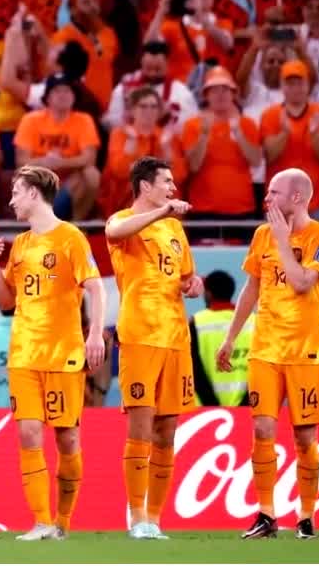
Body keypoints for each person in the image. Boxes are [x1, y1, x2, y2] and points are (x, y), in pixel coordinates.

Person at [0, 165, 106, 541]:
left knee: (67, 438)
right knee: (28, 433)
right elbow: (6, 301)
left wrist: (96, 335)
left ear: (34, 194)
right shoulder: (20, 245)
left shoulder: (70, 238)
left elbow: (96, 288)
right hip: (23, 354)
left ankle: (63, 523)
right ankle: (40, 522)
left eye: (17, 192)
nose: (12, 200)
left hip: (64, 353)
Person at [216, 168, 319, 539]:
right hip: (265, 348)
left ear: (297, 197)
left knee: (304, 436)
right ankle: (266, 514)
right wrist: (230, 337)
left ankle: (306, 515)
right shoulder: (261, 235)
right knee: (261, 427)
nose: (266, 199)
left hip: (305, 352)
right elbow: (252, 288)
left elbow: (302, 284)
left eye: (273, 192)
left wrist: (285, 242)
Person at [104, 156, 203, 540]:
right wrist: (162, 211)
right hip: (140, 334)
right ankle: (136, 515)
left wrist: (191, 284)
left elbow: (185, 275)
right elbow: (114, 233)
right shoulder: (124, 220)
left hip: (176, 337)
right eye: (166, 182)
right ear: (145, 186)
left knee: (167, 431)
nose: (173, 188)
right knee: (140, 428)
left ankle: (155, 519)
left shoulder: (176, 230)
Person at [189, 271, 251, 407]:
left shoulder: (196, 322)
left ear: (209, 293)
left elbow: (194, 369)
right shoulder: (254, 322)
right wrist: (245, 404)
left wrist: (212, 405)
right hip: (249, 409)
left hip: (205, 412)